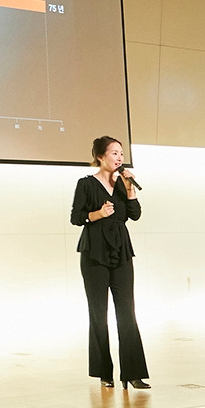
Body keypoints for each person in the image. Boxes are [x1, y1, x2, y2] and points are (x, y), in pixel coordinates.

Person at [69, 135, 150, 390]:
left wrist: (130, 189)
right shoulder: (86, 184)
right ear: (100, 156)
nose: (119, 157)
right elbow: (76, 217)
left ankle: (133, 373)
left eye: (121, 154)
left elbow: (135, 215)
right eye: (114, 153)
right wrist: (98, 214)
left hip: (121, 252)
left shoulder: (123, 185)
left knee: (127, 312)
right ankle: (105, 372)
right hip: (94, 253)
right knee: (99, 314)